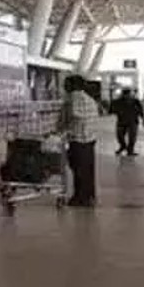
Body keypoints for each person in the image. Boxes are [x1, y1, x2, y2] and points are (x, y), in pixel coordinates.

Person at [59, 75, 100, 207]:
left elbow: (73, 115)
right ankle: (89, 196)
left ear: (73, 85)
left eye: (66, 84)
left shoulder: (74, 97)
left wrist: (62, 129)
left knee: (79, 170)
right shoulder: (89, 98)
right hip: (89, 138)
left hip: (79, 139)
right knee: (88, 169)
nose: (64, 87)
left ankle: (80, 198)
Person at [110, 88, 144, 156]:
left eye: (128, 94)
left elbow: (141, 110)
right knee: (120, 136)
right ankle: (123, 146)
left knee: (132, 138)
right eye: (125, 94)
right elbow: (112, 110)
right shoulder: (118, 101)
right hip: (121, 122)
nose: (127, 96)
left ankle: (130, 150)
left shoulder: (135, 101)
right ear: (123, 94)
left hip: (133, 122)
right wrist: (117, 111)